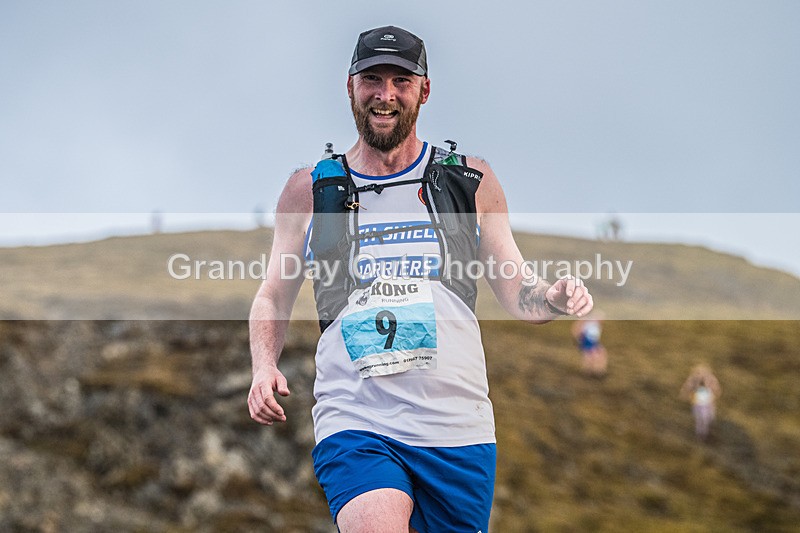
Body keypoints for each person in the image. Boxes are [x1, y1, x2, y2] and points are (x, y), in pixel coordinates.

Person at [247, 25, 594, 532]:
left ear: (424, 91)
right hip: (357, 419)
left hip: (457, 429)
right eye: (372, 79)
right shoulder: (311, 190)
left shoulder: (469, 181)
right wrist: (262, 366)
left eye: (401, 81)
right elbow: (273, 292)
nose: (385, 95)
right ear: (350, 86)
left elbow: (518, 291)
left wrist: (554, 297)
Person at [680, 364, 722, 441]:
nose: (700, 374)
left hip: (708, 403)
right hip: (698, 403)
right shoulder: (693, 379)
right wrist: (685, 394)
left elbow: (716, 389)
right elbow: (687, 387)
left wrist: (716, 394)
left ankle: (706, 433)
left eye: (702, 372)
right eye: (698, 372)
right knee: (700, 420)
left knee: (708, 418)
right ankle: (701, 436)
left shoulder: (711, 379)